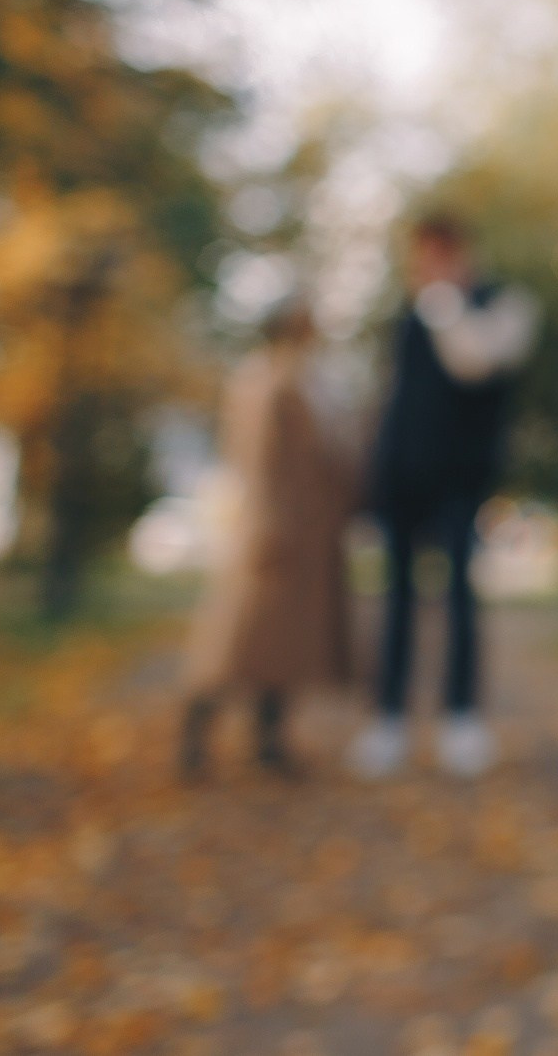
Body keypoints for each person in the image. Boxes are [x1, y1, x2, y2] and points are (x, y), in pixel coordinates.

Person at [347, 213, 539, 780]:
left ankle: (462, 718)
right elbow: (391, 395)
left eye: (436, 255)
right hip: (401, 478)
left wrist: (445, 306)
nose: (425, 268)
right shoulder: (409, 316)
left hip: (460, 480)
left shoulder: (503, 305)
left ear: (460, 252)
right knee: (397, 604)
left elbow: (477, 363)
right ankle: (390, 720)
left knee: (458, 599)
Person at [179, 297, 354, 779]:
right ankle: (194, 737)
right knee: (239, 636)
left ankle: (269, 740)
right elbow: (257, 463)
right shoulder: (265, 381)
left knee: (283, 642)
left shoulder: (304, 380)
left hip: (305, 533)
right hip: (273, 530)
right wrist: (266, 524)